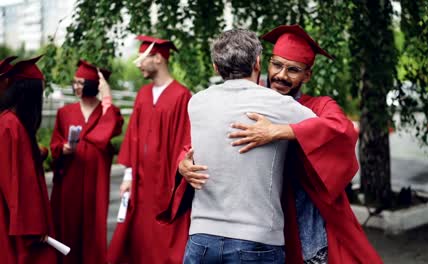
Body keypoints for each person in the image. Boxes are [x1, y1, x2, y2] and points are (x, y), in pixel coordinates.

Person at [176, 25, 383, 264]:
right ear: (264, 63)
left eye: (293, 70)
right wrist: (184, 163)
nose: (282, 75)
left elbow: (341, 131)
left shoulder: (318, 107)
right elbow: (204, 138)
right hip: (254, 221)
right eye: (277, 65)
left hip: (302, 214)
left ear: (307, 75)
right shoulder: (249, 100)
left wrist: (282, 131)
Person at [179, 29, 318, 264]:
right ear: (257, 63)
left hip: (201, 238)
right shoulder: (279, 104)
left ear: (215, 66)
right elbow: (325, 131)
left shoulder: (196, 102)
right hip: (257, 239)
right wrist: (282, 131)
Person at [108, 35, 192, 264]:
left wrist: (176, 183)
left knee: (164, 238)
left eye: (143, 57)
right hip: (141, 183)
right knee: (139, 237)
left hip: (166, 183)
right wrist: (128, 175)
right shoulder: (143, 95)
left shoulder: (181, 96)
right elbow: (133, 137)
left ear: (158, 58)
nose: (139, 63)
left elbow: (184, 142)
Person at [49, 60, 123, 264]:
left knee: (93, 227)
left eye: (81, 82)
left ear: (93, 84)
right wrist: (62, 148)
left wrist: (106, 93)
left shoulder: (107, 112)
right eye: (75, 82)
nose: (76, 87)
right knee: (68, 226)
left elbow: (112, 126)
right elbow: (54, 144)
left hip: (95, 180)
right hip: (70, 179)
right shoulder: (64, 112)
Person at [0, 56, 58, 264]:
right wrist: (32, 227)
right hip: (15, 224)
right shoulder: (9, 125)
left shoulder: (14, 123)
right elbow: (14, 183)